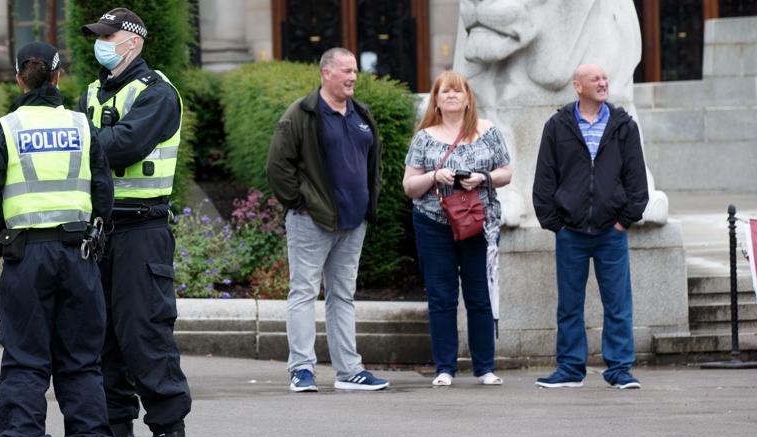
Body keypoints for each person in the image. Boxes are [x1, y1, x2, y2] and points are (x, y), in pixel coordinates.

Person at [0, 42, 115, 437]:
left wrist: (13, 226)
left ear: (18, 79)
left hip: (26, 256)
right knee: (82, 361)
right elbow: (104, 196)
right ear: (57, 76)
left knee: (25, 360)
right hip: (78, 254)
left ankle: (21, 436)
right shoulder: (83, 126)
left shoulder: (7, 128)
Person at [77, 8, 191, 437]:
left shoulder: (157, 93)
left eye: (109, 35)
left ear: (134, 42)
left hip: (142, 229)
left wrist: (78, 143)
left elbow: (125, 144)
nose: (101, 43)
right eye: (97, 36)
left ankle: (167, 427)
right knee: (101, 334)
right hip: (100, 229)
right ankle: (114, 425)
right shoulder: (92, 92)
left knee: (144, 332)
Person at [264, 47, 390, 393]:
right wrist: (300, 203)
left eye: (354, 71)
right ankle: (301, 369)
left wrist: (368, 204)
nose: (352, 77)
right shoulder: (302, 114)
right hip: (312, 221)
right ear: (326, 73)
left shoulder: (361, 114)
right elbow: (277, 166)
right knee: (304, 292)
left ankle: (349, 370)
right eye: (346, 71)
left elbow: (373, 164)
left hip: (353, 222)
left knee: (342, 296)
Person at [533, 63, 648, 390]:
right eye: (595, 79)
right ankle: (570, 369)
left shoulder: (624, 126)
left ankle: (620, 370)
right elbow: (544, 180)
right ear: (577, 85)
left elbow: (637, 181)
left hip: (611, 233)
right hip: (571, 233)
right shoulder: (557, 126)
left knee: (618, 305)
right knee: (569, 305)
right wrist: (556, 225)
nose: (603, 83)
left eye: (605, 78)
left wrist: (624, 221)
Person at [402, 70, 512, 386]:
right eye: (445, 91)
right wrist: (435, 176)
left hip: (478, 222)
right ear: (435, 100)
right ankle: (445, 368)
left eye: (458, 91)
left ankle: (485, 367)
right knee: (441, 296)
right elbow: (409, 186)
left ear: (467, 99)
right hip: (433, 224)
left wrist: (483, 178)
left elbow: (506, 172)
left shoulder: (488, 131)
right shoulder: (424, 137)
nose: (451, 95)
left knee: (479, 295)